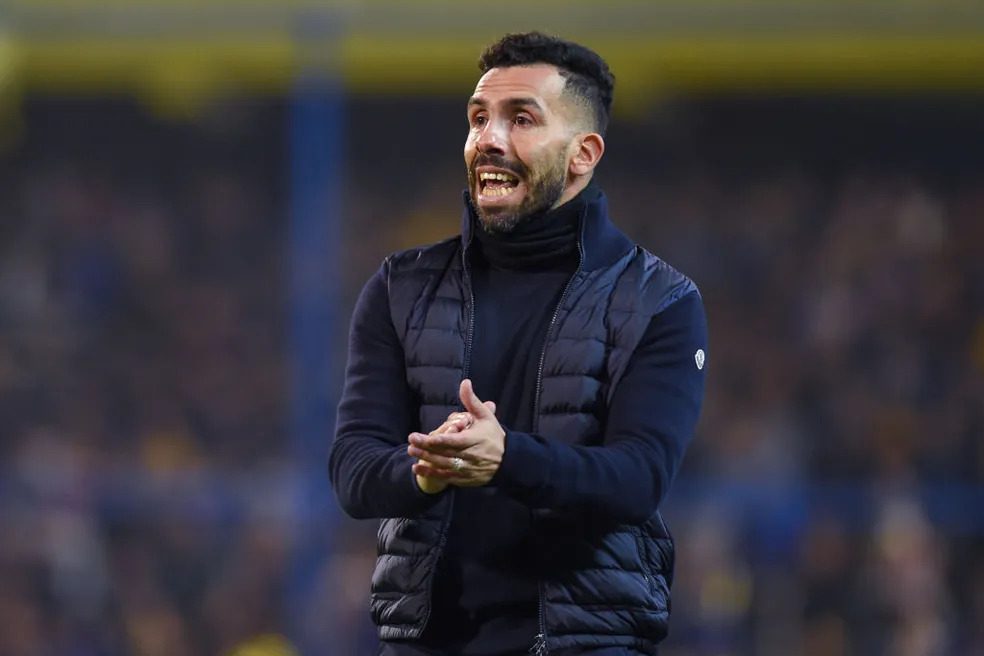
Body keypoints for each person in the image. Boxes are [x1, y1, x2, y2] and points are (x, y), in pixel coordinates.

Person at [330, 31, 708, 656]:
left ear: (583, 153)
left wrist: (506, 459)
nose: (489, 139)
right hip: (425, 644)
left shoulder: (660, 300)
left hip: (586, 644)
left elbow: (638, 478)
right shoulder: (401, 287)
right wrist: (427, 470)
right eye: (479, 118)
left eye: (521, 119)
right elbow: (352, 468)